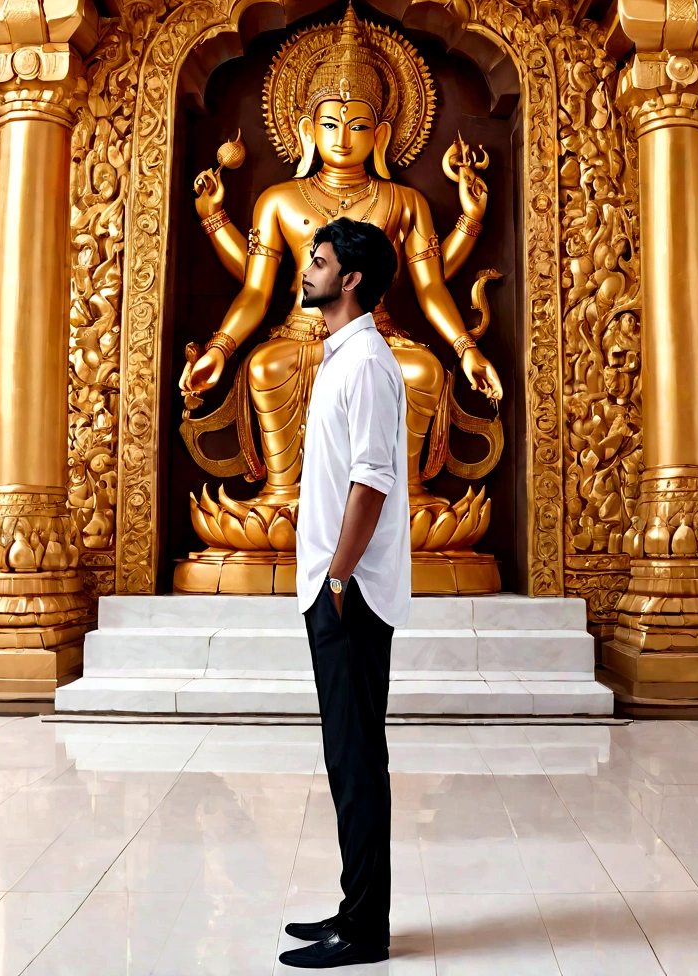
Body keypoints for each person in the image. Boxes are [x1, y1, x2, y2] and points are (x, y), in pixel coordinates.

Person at [279, 217, 410, 969]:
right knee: (345, 757)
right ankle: (356, 908)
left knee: (356, 760)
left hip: (348, 590)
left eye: (320, 260)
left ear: (351, 278)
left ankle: (364, 931)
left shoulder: (366, 364)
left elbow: (372, 480)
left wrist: (336, 575)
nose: (309, 268)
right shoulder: (341, 357)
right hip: (334, 584)